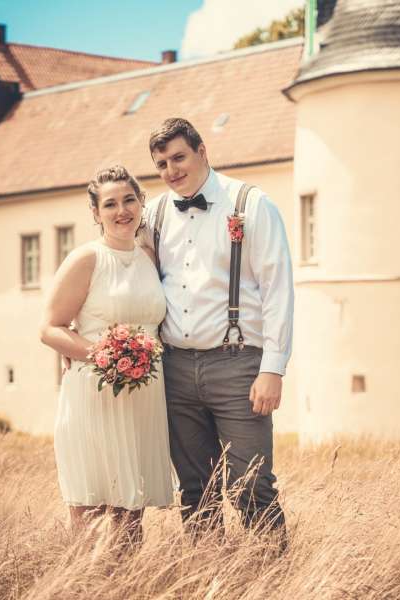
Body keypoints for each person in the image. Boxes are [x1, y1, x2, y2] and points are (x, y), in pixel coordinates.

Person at [143, 117, 293, 537]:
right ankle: (207, 570)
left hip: (238, 365)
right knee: (196, 491)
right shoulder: (154, 214)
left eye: (179, 158)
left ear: (202, 151)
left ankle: (273, 571)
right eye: (161, 164)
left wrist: (273, 367)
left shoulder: (250, 203)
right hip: (174, 370)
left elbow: (277, 288)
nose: (171, 170)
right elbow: (129, 276)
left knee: (252, 486)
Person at [39, 165, 173, 543]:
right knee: (92, 511)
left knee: (131, 515)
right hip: (95, 393)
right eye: (110, 204)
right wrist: (103, 355)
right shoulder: (86, 259)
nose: (122, 210)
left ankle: (127, 577)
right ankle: (82, 576)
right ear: (96, 213)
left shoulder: (150, 257)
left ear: (141, 203)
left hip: (144, 395)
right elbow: (49, 328)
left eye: (129, 200)